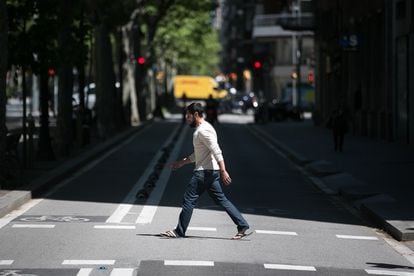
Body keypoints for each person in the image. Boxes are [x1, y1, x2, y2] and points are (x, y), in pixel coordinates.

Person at [161, 102, 250, 240]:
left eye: (188, 115)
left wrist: (223, 170)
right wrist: (181, 163)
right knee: (222, 200)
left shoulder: (203, 130)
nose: (186, 118)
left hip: (204, 172)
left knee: (189, 200)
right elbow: (199, 154)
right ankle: (242, 224)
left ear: (196, 114)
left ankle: (179, 231)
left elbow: (216, 150)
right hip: (209, 171)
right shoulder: (205, 128)